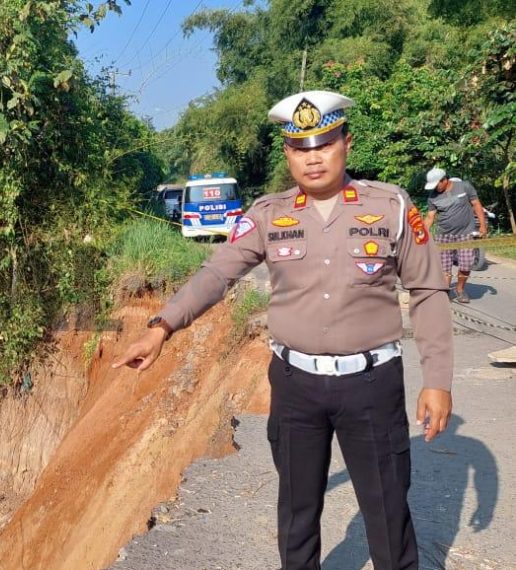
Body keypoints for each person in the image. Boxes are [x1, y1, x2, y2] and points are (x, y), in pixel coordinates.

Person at [111, 90, 454, 570]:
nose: (313, 159)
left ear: (346, 144)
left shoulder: (391, 205)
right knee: (296, 514)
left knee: (387, 514)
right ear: (288, 154)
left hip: (372, 385)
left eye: (324, 144)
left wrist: (437, 380)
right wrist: (162, 326)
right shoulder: (268, 215)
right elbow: (216, 274)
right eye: (300, 148)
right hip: (296, 387)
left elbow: (429, 291)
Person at [422, 168, 489, 303]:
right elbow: (430, 217)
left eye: (436, 185)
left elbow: (476, 204)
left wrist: (483, 225)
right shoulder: (432, 197)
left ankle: (459, 289)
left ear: (444, 180)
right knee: (444, 267)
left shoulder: (464, 187)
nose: (434, 188)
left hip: (465, 234)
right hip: (444, 236)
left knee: (465, 266)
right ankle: (445, 292)